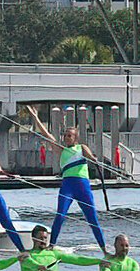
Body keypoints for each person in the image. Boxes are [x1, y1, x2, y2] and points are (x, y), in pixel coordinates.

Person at [27, 105, 107, 253]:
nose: (66, 137)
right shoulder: (61, 149)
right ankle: (52, 245)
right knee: (60, 215)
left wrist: (95, 160)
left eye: (69, 135)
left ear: (75, 138)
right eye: (65, 135)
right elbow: (46, 134)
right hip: (68, 186)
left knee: (92, 219)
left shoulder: (82, 148)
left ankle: (104, 249)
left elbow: (92, 157)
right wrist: (36, 117)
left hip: (83, 186)